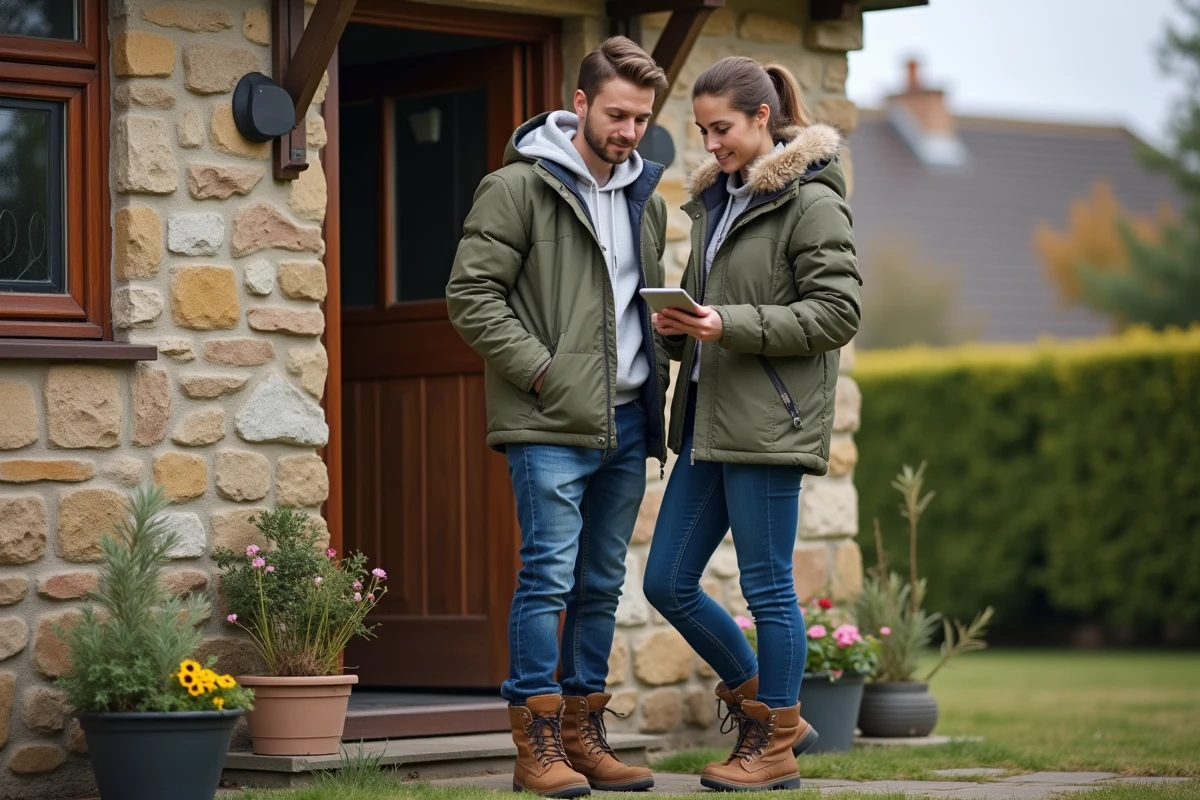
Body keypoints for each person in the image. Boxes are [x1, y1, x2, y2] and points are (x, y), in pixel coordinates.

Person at [446, 36, 672, 799]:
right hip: (548, 419)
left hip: (629, 422)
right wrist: (544, 370)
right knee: (547, 577)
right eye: (617, 114)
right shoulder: (513, 190)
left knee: (602, 584)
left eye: (642, 118)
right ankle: (534, 742)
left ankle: (583, 735)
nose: (630, 131)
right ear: (579, 103)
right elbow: (470, 297)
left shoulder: (650, 197)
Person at [643, 56, 861, 792]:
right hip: (707, 420)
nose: (712, 145)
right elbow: (710, 314)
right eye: (703, 131)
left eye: (723, 129)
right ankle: (772, 711)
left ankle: (772, 747)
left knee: (768, 590)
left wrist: (726, 322)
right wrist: (677, 325)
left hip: (769, 424)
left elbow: (837, 314)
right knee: (667, 580)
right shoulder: (715, 201)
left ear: (763, 117)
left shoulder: (810, 200)